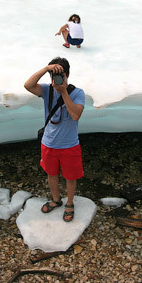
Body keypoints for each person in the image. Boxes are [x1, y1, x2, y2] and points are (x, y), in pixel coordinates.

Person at [24, 57, 85, 222]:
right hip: (49, 143)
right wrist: (45, 68)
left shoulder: (77, 93)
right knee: (51, 174)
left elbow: (75, 115)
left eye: (61, 75)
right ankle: (56, 200)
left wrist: (64, 91)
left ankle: (70, 203)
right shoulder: (47, 90)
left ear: (68, 75)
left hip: (70, 145)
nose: (57, 79)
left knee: (70, 177)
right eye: (54, 76)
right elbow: (28, 86)